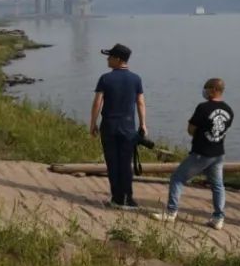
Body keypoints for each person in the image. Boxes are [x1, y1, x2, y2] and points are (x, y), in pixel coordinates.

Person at [152, 77, 232, 227]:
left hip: (201, 153)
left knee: (177, 178)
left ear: (214, 89)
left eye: (207, 88)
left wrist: (199, 133)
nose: (205, 91)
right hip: (218, 153)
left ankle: (171, 212)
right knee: (218, 185)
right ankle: (218, 218)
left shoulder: (203, 107)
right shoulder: (229, 110)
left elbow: (191, 129)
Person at [89, 43, 146, 210]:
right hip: (128, 126)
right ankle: (128, 198)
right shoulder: (136, 79)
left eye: (110, 57)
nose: (107, 59)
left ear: (118, 59)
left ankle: (117, 198)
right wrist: (143, 124)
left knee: (113, 162)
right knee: (126, 163)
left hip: (109, 125)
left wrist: (93, 123)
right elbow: (140, 103)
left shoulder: (105, 78)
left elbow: (97, 102)